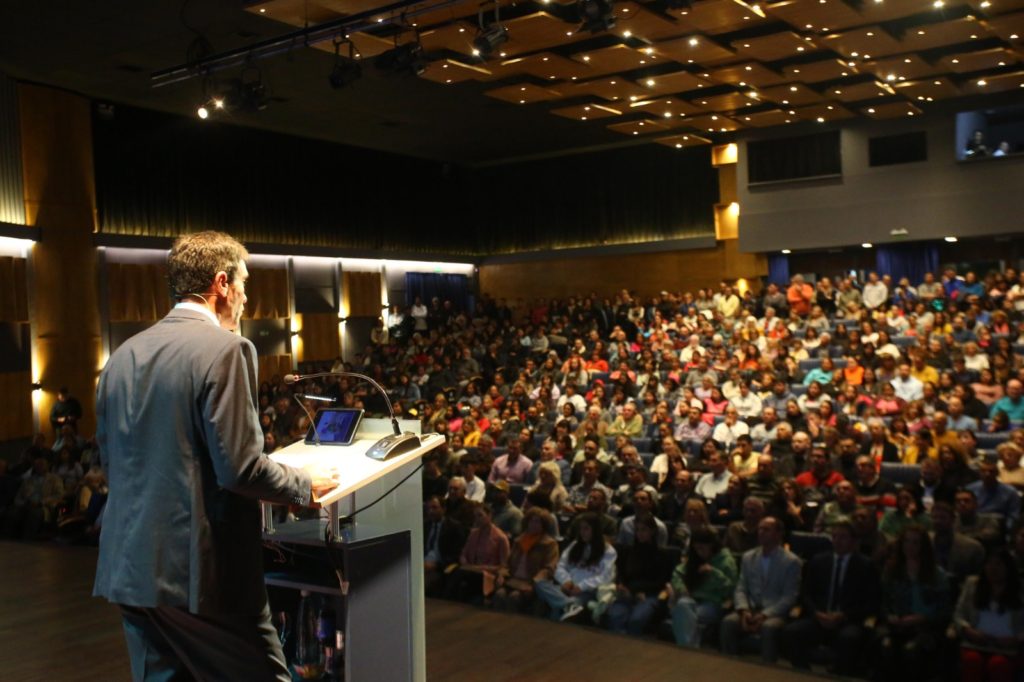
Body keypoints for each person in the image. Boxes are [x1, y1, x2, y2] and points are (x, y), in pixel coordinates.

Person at [94, 232, 322, 681]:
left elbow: (112, 465)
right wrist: (305, 484)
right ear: (222, 283)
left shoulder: (122, 356)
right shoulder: (227, 349)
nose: (245, 297)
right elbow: (240, 468)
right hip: (200, 576)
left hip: (130, 568)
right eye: (244, 283)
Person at [781, 521, 881, 675]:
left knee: (849, 638)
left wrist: (843, 615)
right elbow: (806, 594)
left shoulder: (865, 566)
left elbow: (871, 602)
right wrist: (816, 613)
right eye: (834, 537)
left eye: (843, 537)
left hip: (848, 619)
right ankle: (803, 673)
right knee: (791, 632)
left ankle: (839, 675)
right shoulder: (818, 561)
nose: (837, 541)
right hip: (820, 617)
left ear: (854, 541)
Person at [874, 525, 952, 682]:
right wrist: (890, 616)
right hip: (896, 626)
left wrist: (923, 618)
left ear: (923, 547)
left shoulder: (937, 575)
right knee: (886, 646)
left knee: (912, 651)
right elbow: (882, 602)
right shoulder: (892, 571)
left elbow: (945, 610)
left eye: (915, 542)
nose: (910, 547)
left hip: (926, 628)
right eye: (907, 542)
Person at [720, 516, 802, 663]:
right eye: (760, 529)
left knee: (768, 628)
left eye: (766, 530)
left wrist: (764, 615)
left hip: (774, 612)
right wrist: (744, 610)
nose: (761, 532)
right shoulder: (748, 556)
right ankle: (730, 664)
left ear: (778, 534)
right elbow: (741, 588)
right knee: (729, 622)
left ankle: (767, 669)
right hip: (750, 608)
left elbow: (790, 596)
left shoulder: (791, 562)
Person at [955, 549, 1024, 682]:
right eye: (989, 564)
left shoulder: (1021, 589)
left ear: (1008, 567)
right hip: (976, 642)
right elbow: (959, 614)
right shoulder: (972, 584)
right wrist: (968, 630)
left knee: (998, 665)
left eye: (998, 564)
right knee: (972, 661)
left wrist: (1018, 638)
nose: (993, 568)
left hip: (1010, 647)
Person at [535, 513, 617, 622]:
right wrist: (566, 581)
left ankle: (567, 606)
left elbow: (605, 577)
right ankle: (569, 604)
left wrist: (581, 587)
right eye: (581, 529)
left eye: (586, 528)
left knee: (558, 611)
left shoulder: (608, 550)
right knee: (540, 584)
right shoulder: (575, 545)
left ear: (595, 530)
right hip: (567, 587)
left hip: (587, 591)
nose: (582, 532)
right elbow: (561, 566)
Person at [669, 526, 738, 648]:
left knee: (684, 615)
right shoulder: (695, 558)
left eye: (702, 548)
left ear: (711, 545)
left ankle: (686, 649)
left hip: (713, 603)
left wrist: (713, 573)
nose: (698, 552)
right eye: (696, 548)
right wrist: (681, 588)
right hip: (692, 600)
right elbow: (677, 573)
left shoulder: (726, 561)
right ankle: (691, 648)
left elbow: (730, 588)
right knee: (683, 605)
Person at [607, 516, 675, 635]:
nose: (640, 533)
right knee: (615, 615)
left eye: (644, 530)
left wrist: (638, 591)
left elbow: (661, 581)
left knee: (636, 619)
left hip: (650, 595)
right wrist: (621, 585)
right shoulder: (629, 552)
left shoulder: (662, 554)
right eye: (637, 530)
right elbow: (622, 574)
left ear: (652, 531)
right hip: (628, 592)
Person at [493, 508, 560, 613]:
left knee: (514, 598)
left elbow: (549, 568)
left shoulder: (549, 544)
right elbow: (507, 564)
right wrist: (501, 575)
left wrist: (534, 583)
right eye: (531, 521)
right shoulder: (519, 541)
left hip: (532, 582)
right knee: (499, 595)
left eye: (537, 522)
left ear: (544, 525)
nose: (534, 524)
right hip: (513, 580)